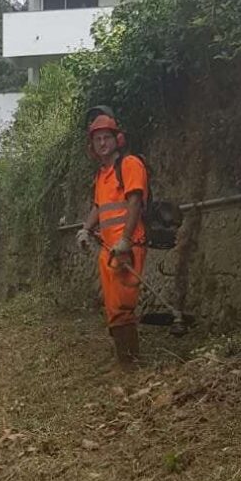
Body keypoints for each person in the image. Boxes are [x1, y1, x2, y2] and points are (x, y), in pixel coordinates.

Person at [76, 110, 148, 369]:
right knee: (112, 304)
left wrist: (126, 240)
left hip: (127, 245)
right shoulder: (102, 174)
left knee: (122, 304)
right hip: (109, 247)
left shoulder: (129, 165)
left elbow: (135, 201)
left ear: (117, 139)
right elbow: (99, 206)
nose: (102, 143)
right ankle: (124, 358)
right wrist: (86, 229)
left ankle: (130, 362)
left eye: (106, 137)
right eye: (97, 139)